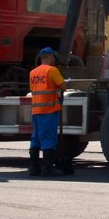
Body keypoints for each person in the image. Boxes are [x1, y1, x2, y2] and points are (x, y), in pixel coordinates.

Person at [28, 48, 66, 176]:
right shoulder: (52, 70)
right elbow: (63, 85)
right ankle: (48, 169)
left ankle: (33, 168)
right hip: (49, 110)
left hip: (36, 110)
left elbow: (33, 89)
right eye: (54, 58)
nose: (55, 60)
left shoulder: (33, 72)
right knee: (48, 138)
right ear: (49, 57)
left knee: (36, 138)